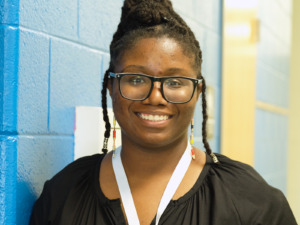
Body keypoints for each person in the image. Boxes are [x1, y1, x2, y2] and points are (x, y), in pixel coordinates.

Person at [29, 0, 297, 224]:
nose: (155, 97)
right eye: (136, 79)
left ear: (198, 92)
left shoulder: (251, 202)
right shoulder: (63, 195)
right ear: (111, 87)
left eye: (175, 82)